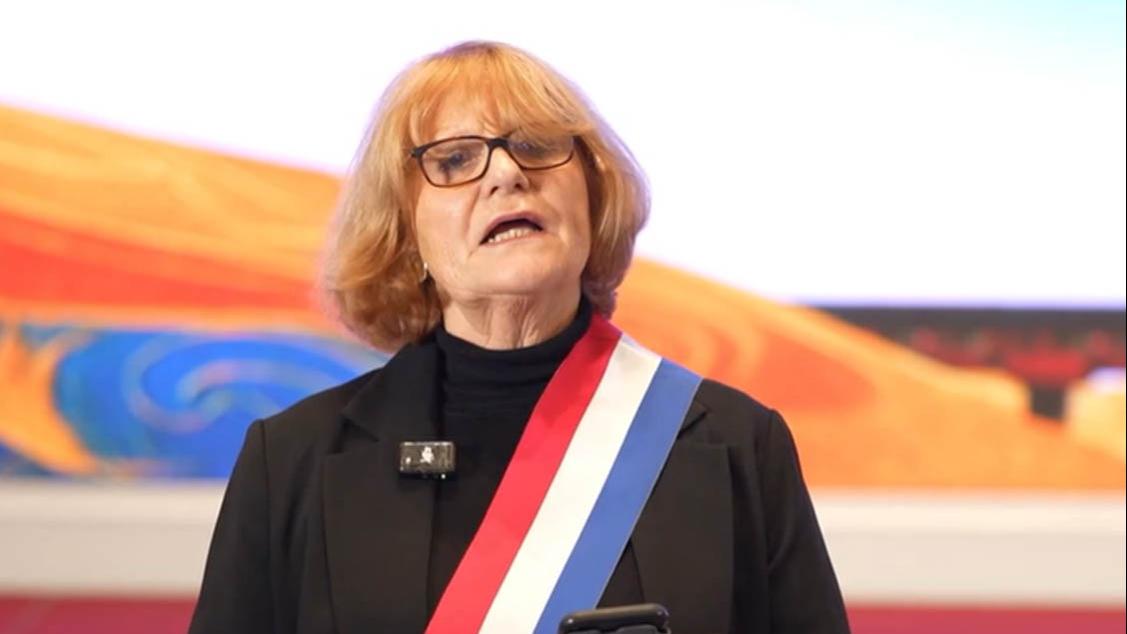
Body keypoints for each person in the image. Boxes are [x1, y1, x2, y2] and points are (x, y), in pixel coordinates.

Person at [189, 41, 850, 634]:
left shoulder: (737, 445)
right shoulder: (292, 460)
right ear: (404, 231)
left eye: (535, 145)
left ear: (592, 195)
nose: (507, 174)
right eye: (454, 159)